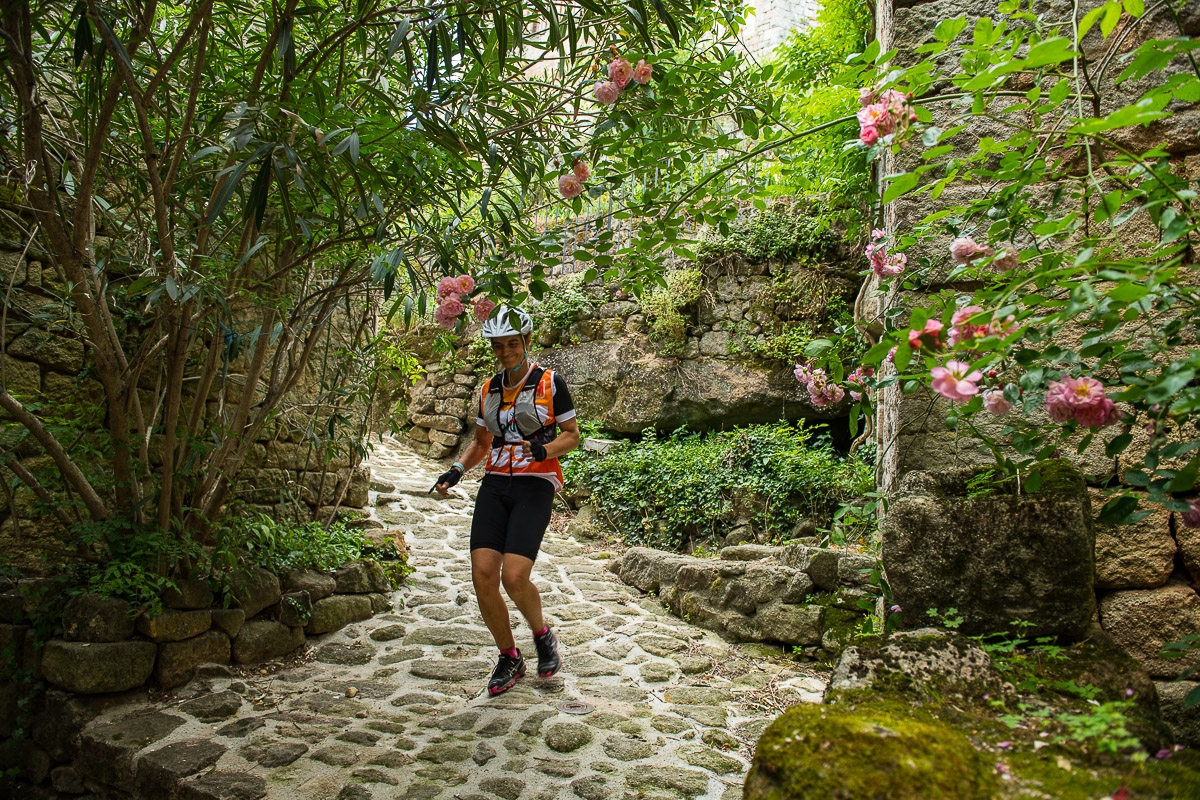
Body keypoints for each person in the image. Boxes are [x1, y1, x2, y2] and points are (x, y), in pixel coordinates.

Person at [434, 305, 580, 696]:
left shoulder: (551, 383)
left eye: (512, 344)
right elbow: (482, 443)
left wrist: (544, 450)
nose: (505, 352)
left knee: (513, 576)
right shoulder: (488, 389)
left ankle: (542, 635)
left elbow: (572, 435)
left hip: (535, 483)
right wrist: (457, 470)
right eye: (498, 346)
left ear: (527, 342)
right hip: (496, 484)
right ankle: (509, 656)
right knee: (482, 576)